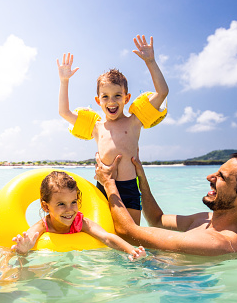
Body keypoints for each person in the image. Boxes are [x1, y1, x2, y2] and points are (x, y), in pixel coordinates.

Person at [57, 35, 169, 226]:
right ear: (98, 100)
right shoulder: (96, 126)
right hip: (102, 188)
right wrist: (64, 80)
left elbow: (162, 92)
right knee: (105, 236)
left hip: (129, 188)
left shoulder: (135, 121)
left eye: (118, 95)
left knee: (132, 235)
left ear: (127, 98)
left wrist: (150, 61)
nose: (111, 101)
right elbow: (64, 112)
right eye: (106, 96)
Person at [94, 150, 237, 256]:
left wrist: (109, 183)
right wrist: (141, 181)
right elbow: (157, 219)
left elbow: (128, 232)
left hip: (178, 297)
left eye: (221, 177)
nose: (209, 177)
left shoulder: (219, 243)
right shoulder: (206, 220)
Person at [11, 171, 146, 260]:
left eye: (73, 202)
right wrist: (22, 249)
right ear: (46, 207)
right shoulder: (42, 226)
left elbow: (107, 237)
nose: (69, 210)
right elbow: (27, 241)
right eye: (61, 204)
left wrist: (132, 250)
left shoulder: (80, 222)